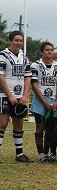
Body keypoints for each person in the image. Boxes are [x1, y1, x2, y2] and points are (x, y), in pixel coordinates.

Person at [0, 30, 33, 162]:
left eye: (21, 40)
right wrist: (10, 96)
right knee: (2, 124)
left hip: (20, 97)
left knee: (18, 125)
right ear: (10, 41)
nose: (18, 43)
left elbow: (28, 77)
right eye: (16, 40)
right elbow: (0, 77)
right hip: (5, 95)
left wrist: (25, 95)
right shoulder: (3, 55)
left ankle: (19, 154)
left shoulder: (24, 57)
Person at [30, 42, 57, 163]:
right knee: (39, 126)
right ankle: (40, 154)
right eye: (47, 50)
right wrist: (44, 101)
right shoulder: (35, 65)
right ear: (41, 52)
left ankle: (46, 153)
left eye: (51, 49)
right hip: (40, 100)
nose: (49, 51)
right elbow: (33, 85)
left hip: (53, 101)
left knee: (51, 128)